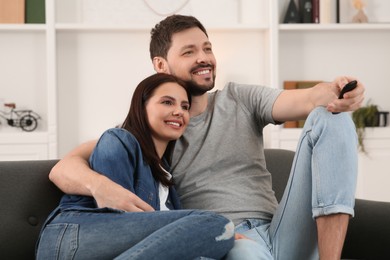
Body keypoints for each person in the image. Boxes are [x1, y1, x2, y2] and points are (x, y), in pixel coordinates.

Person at [49, 15, 365, 260]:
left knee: (330, 118)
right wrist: (101, 187)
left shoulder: (240, 98)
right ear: (161, 65)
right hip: (227, 239)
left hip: (284, 227)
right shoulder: (154, 128)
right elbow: (63, 168)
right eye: (189, 51)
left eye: (207, 48)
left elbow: (308, 99)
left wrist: (334, 92)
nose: (204, 58)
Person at [36, 73, 235, 259]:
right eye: (167, 102)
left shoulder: (165, 173)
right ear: (142, 107)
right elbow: (117, 217)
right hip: (74, 236)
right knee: (217, 224)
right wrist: (210, 229)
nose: (179, 111)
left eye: (185, 107)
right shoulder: (119, 139)